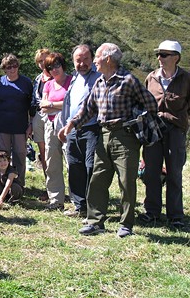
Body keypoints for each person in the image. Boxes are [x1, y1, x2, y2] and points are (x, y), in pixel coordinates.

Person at [60, 43, 158, 238]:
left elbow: (150, 104)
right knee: (98, 179)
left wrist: (138, 120)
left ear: (107, 59)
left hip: (125, 137)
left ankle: (126, 224)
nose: (94, 61)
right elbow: (88, 109)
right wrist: (70, 125)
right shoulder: (100, 82)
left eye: (96, 57)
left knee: (126, 182)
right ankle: (95, 222)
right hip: (103, 135)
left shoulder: (128, 80)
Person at [140, 40, 190, 227]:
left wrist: (176, 121)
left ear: (176, 57)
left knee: (174, 173)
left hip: (175, 131)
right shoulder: (151, 77)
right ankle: (152, 212)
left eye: (164, 55)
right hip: (154, 130)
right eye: (158, 54)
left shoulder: (187, 79)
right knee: (151, 172)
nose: (159, 58)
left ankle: (175, 216)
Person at [55, 44, 100, 218]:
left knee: (91, 167)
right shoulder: (74, 78)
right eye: (78, 60)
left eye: (85, 59)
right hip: (72, 129)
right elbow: (69, 105)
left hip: (92, 128)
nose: (82, 64)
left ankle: (93, 206)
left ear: (92, 58)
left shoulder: (98, 77)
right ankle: (79, 206)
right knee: (74, 166)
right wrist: (65, 127)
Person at [0, 54, 33, 185]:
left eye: (15, 66)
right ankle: (1, 182)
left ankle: (19, 184)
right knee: (2, 156)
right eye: (9, 67)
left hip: (20, 127)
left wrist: (30, 124)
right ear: (4, 69)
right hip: (2, 126)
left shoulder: (26, 83)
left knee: (20, 156)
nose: (12, 69)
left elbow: (32, 106)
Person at [40, 52, 71, 209]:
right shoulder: (48, 84)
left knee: (71, 162)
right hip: (50, 126)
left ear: (63, 64)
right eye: (50, 67)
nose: (54, 70)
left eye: (57, 65)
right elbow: (43, 106)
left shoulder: (72, 81)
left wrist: (52, 104)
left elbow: (70, 103)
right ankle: (55, 199)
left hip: (68, 126)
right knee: (52, 162)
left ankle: (76, 199)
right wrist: (55, 104)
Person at [30, 48, 52, 200]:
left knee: (55, 154)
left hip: (53, 116)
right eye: (39, 61)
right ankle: (49, 188)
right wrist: (30, 121)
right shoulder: (38, 79)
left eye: (45, 60)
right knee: (43, 155)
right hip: (38, 116)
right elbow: (32, 101)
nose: (42, 64)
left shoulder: (59, 77)